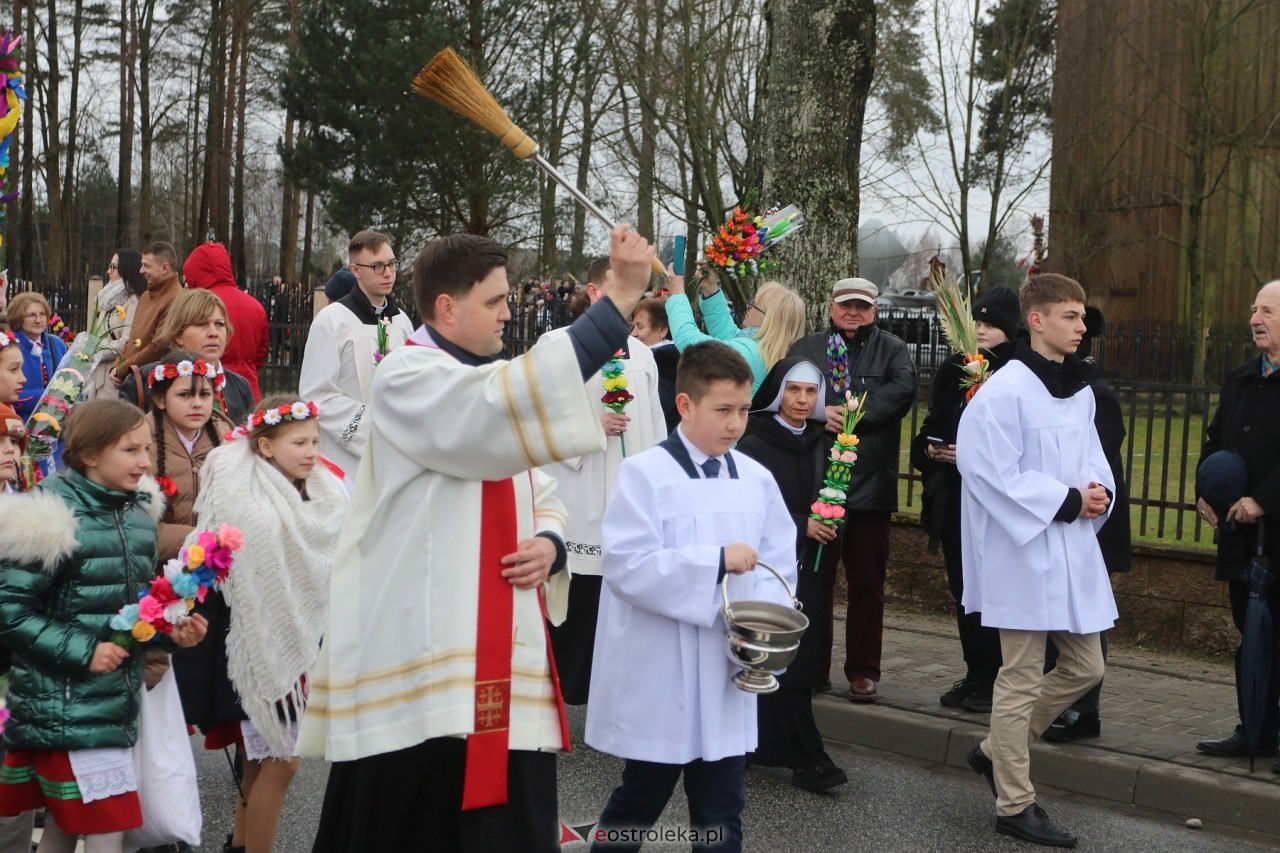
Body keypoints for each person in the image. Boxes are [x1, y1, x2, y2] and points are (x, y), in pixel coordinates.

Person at [299, 224, 658, 852]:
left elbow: (534, 485)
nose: (509, 311)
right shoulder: (407, 375)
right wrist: (620, 296)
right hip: (426, 649)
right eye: (495, 300)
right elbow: (494, 413)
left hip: (498, 641)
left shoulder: (484, 377)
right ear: (447, 307)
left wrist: (549, 539)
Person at [586, 341, 797, 852]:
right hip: (664, 671)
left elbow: (779, 563)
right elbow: (627, 566)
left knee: (722, 809)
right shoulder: (645, 475)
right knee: (638, 802)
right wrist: (714, 562)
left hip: (728, 670)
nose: (735, 423)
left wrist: (765, 630)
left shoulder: (757, 480)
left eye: (744, 410)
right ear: (685, 405)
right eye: (722, 410)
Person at [0, 399, 208, 853]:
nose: (145, 461)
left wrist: (170, 632)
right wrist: (84, 650)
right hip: (63, 701)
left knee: (64, 823)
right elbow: (10, 611)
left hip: (113, 701)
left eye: (147, 449)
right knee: (109, 822)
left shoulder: (137, 513)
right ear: (90, 455)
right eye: (129, 450)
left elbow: (129, 612)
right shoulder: (47, 516)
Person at [958, 273, 1116, 847]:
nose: (1082, 326)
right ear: (1037, 321)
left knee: (1086, 668)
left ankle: (995, 751)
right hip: (1021, 551)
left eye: (1082, 315)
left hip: (1071, 546)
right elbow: (988, 474)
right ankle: (1014, 802)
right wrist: (1069, 500)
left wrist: (1099, 493)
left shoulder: (1079, 390)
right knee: (1021, 675)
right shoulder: (1002, 392)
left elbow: (1093, 456)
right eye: (1070, 316)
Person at [185, 395, 346, 853]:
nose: (312, 451)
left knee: (260, 766)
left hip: (301, 638)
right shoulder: (246, 497)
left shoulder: (322, 491)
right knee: (282, 763)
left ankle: (241, 845)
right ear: (266, 446)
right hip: (260, 644)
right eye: (299, 442)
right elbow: (230, 562)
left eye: (316, 440)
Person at [541, 256, 666, 706]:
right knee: (578, 598)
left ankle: (612, 689)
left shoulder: (644, 355)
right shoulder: (558, 345)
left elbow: (655, 425)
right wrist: (591, 425)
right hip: (580, 490)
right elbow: (534, 420)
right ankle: (559, 690)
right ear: (595, 293)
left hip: (627, 492)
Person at [788, 277, 916, 702]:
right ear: (832, 307)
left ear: (874, 311)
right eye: (846, 305)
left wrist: (857, 412)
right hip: (820, 482)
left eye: (862, 306)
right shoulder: (807, 348)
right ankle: (813, 666)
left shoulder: (893, 349)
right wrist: (823, 411)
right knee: (815, 583)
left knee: (867, 585)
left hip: (871, 487)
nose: (853, 312)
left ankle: (863, 670)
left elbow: (901, 390)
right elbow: (788, 393)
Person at [735, 356, 849, 792]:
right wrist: (803, 522)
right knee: (770, 652)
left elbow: (834, 497)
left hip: (811, 569)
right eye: (794, 390)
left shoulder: (825, 442)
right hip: (766, 568)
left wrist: (836, 517)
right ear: (778, 392)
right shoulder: (753, 443)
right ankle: (808, 757)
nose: (802, 400)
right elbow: (751, 509)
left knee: (799, 656)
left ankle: (751, 746)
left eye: (811, 392)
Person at [910, 287, 1020, 713]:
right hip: (953, 498)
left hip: (993, 504)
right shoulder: (954, 369)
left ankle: (998, 676)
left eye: (990, 325)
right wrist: (931, 450)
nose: (980, 330)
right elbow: (933, 425)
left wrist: (974, 453)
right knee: (964, 590)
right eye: (977, 322)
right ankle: (976, 672)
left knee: (994, 590)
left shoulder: (1015, 371)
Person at [1193, 279, 1280, 770]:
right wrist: (1205, 491)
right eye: (1253, 309)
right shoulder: (1241, 378)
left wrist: (1263, 501)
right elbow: (1214, 441)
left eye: (1266, 310)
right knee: (1251, 632)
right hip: (1242, 538)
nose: (1254, 319)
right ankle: (1257, 729)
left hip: (1274, 530)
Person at [1042, 305, 1131, 743]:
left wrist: (1084, 493)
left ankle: (1086, 709)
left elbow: (1103, 451)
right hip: (1064, 512)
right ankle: (1061, 704)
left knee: (1087, 617)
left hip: (1093, 516)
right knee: (1060, 615)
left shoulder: (1093, 390)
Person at [298, 230, 414, 478]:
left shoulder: (401, 321)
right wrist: (372, 426)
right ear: (356, 270)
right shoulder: (332, 321)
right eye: (377, 266)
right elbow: (318, 395)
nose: (388, 273)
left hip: (397, 449)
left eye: (392, 264)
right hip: (348, 455)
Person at [119, 288, 255, 425]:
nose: (214, 333)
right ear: (178, 335)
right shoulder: (143, 379)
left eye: (219, 324)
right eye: (201, 324)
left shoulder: (239, 386)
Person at [665, 272, 806, 393]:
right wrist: (710, 290)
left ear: (767, 319)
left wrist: (677, 294)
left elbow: (692, 344)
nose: (748, 307)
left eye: (753, 305)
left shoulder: (751, 353)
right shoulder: (765, 349)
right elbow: (729, 334)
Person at [183, 242, 269, 402]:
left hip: (210, 388)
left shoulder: (198, 307)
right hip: (249, 388)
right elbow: (260, 355)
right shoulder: (256, 306)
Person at [112, 241, 184, 388]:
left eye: (146, 266)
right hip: (132, 379)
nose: (141, 271)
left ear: (165, 268)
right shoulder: (145, 296)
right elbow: (132, 339)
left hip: (150, 384)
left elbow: (157, 348)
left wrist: (122, 369)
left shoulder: (176, 299)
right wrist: (117, 366)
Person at [81, 250, 147, 401]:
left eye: (113, 267)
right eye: (109, 266)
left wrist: (96, 349)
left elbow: (128, 341)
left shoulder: (133, 300)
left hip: (114, 374)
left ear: (126, 269)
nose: (108, 271)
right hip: (97, 373)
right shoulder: (107, 299)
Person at [8, 292, 68, 421]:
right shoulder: (10, 346)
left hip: (56, 423)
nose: (38, 320)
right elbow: (6, 392)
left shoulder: (57, 343)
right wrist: (46, 397)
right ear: (18, 318)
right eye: (31, 315)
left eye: (42, 314)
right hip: (22, 422)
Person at [631, 296, 679, 433]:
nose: (633, 333)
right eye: (633, 326)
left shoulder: (664, 363)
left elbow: (653, 412)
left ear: (662, 330)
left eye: (640, 326)